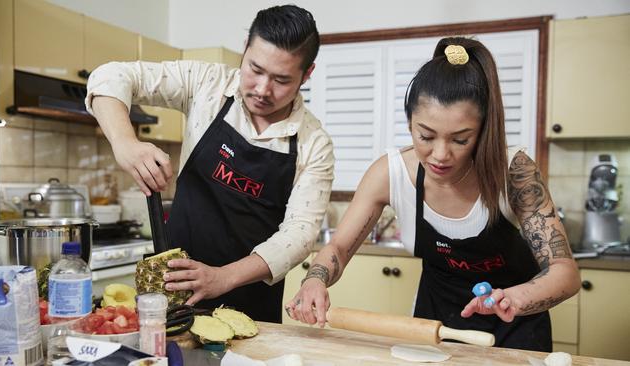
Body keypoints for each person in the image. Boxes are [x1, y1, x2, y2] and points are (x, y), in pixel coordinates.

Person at [286, 37, 580, 351]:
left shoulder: (514, 172)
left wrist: (513, 298)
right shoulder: (391, 173)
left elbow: (565, 273)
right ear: (410, 122)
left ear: (482, 131)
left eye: (460, 139)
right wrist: (314, 279)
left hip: (516, 327)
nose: (440, 154)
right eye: (425, 135)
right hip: (434, 326)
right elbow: (340, 247)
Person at [85, 5, 334, 323]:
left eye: (281, 80)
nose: (262, 89)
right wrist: (125, 143)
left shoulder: (314, 143)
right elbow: (110, 76)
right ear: (245, 48)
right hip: (174, 299)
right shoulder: (207, 84)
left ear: (307, 74)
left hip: (253, 311)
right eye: (255, 69)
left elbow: (300, 234)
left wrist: (221, 277)